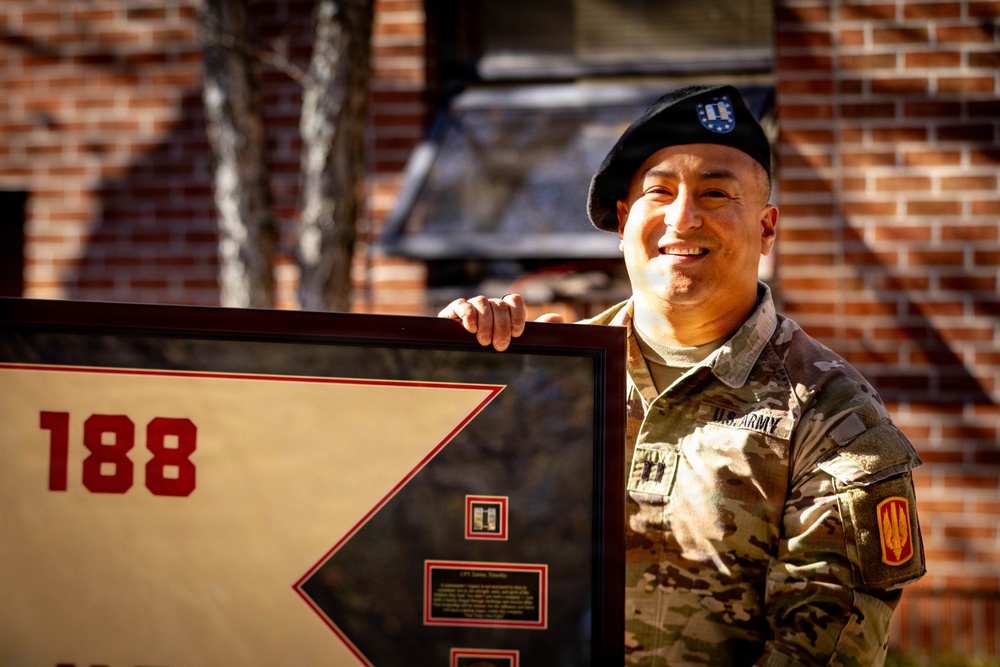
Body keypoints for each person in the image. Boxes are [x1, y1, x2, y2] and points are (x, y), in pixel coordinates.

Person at [439, 85, 926, 666]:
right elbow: (433, 554)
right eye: (659, 192)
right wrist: (447, 380)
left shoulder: (830, 414)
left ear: (766, 228)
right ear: (624, 222)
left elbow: (820, 649)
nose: (683, 217)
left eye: (715, 193)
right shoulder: (544, 377)